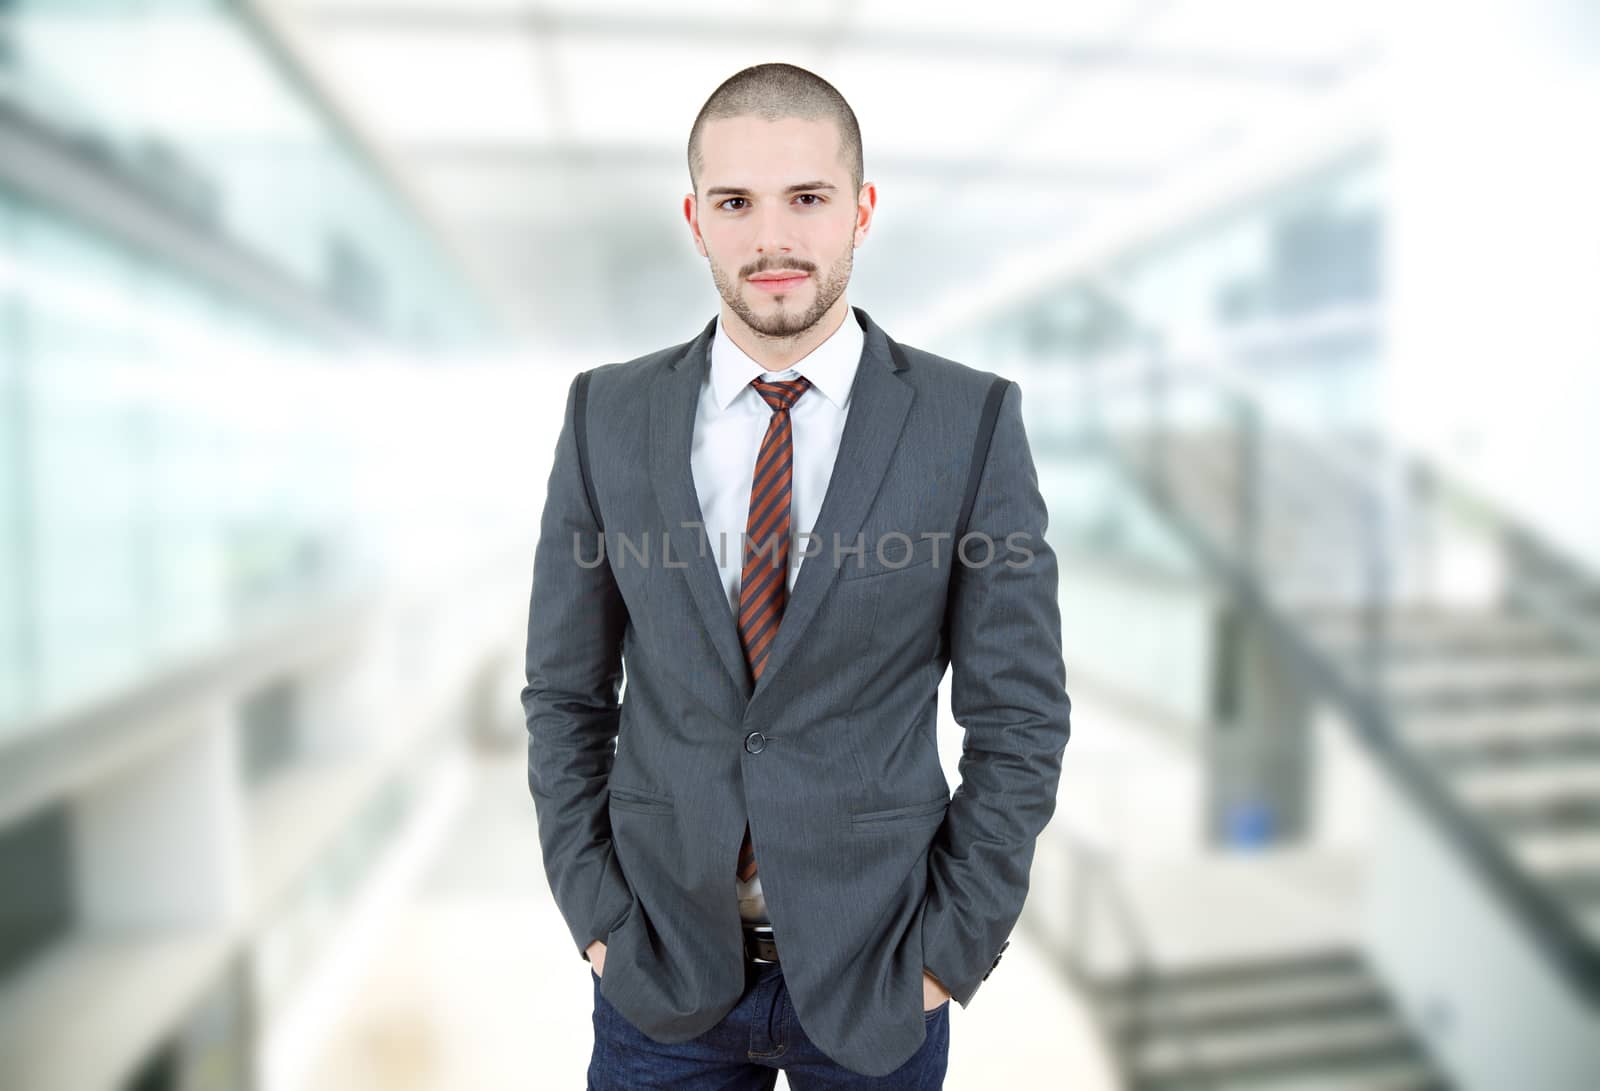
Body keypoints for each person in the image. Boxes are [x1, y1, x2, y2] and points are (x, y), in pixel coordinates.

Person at [522, 61, 1072, 1089]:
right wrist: (597, 918)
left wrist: (948, 950)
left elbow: (1021, 714)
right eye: (736, 202)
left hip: (879, 973)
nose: (772, 239)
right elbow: (563, 691)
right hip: (658, 976)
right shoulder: (605, 415)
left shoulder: (971, 422)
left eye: (807, 198)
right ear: (695, 218)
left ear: (860, 209)